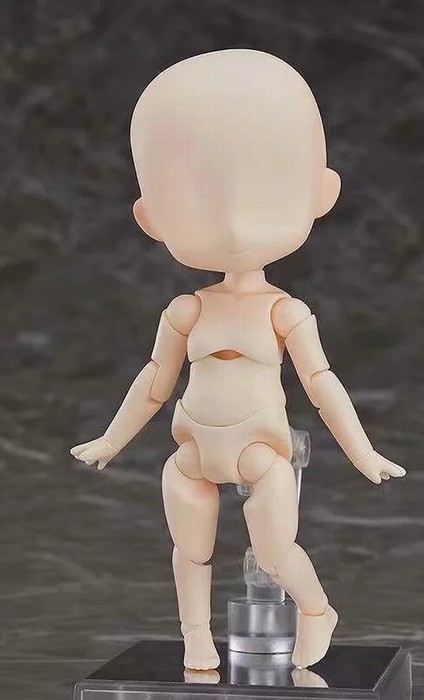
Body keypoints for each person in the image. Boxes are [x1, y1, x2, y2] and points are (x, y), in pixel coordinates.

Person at [71, 49, 406, 670]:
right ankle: (195, 635)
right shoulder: (187, 310)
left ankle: (315, 609)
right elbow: (155, 382)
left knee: (275, 552)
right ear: (150, 216)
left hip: (260, 449)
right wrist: (110, 440)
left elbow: (322, 384)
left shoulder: (284, 311)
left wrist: (364, 452)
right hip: (193, 447)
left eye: (266, 186)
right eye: (195, 196)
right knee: (189, 547)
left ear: (322, 192)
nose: (231, 218)